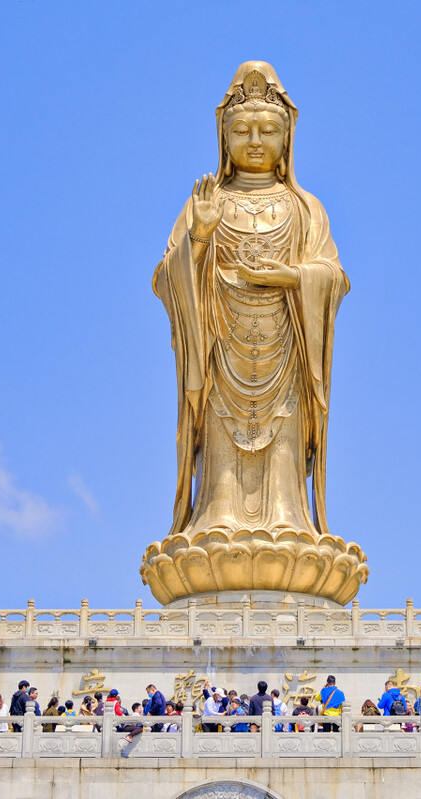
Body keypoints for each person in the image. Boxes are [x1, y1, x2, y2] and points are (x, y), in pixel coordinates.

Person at [148, 62, 356, 607]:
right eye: (243, 131)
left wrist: (289, 277)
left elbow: (332, 277)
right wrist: (198, 237)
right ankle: (214, 517)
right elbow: (166, 277)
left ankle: (289, 519)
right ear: (224, 136)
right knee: (220, 451)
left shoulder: (305, 208)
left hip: (288, 354)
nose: (256, 141)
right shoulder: (204, 200)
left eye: (268, 129)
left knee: (286, 449)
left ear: (287, 136)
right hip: (220, 360)